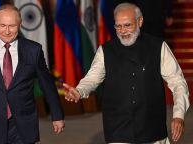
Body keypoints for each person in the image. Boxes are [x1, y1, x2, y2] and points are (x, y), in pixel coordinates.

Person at [63, 3, 189, 144]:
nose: (123, 31)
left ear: (139, 21)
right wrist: (79, 91)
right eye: (118, 26)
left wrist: (178, 115)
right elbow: (92, 78)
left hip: (152, 131)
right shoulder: (106, 50)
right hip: (118, 130)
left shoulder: (158, 47)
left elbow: (178, 82)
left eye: (128, 25)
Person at [0, 4, 65, 144]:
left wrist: (57, 115)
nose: (7, 31)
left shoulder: (33, 50)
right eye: (3, 25)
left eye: (12, 26)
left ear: (20, 24)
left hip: (24, 124)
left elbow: (47, 85)